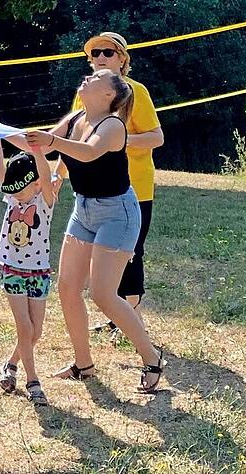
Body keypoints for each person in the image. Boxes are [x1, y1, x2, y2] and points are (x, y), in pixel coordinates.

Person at [26, 69, 165, 393]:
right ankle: (84, 364)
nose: (89, 76)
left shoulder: (114, 126)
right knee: (68, 287)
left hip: (118, 213)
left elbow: (87, 152)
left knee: (103, 294)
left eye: (98, 76)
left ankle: (152, 358)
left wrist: (51, 140)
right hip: (84, 208)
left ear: (109, 95)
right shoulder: (76, 117)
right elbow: (43, 146)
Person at [65, 32, 165, 334]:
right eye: (95, 53)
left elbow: (156, 137)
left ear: (123, 59)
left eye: (107, 52)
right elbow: (69, 137)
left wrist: (115, 140)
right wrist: (59, 174)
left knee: (131, 252)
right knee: (104, 255)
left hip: (132, 187)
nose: (100, 58)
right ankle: (117, 316)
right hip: (93, 189)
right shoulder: (84, 94)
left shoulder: (135, 92)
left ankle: (129, 317)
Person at [0, 132, 59, 406]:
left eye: (20, 189)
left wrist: (39, 151)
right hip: (13, 270)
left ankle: (10, 364)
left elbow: (44, 171)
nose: (16, 195)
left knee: (35, 332)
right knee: (24, 326)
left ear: (36, 184)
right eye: (12, 190)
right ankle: (33, 382)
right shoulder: (12, 200)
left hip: (39, 271)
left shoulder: (45, 202)